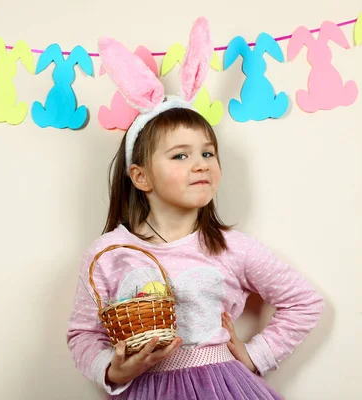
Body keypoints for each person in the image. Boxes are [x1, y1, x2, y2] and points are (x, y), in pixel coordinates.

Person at [66, 17, 324, 400]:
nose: (201, 163)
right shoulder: (108, 254)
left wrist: (257, 355)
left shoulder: (232, 247)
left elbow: (304, 302)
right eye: (180, 155)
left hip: (224, 387)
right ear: (141, 177)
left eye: (207, 153)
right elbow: (82, 334)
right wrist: (113, 367)